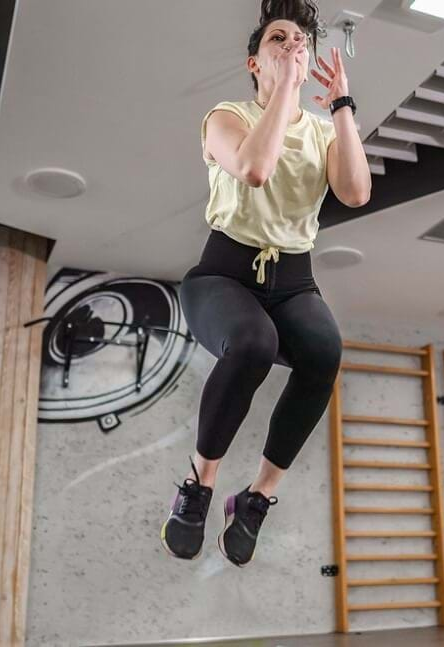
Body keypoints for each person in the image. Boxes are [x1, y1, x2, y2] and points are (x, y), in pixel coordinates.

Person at [160, 0, 371, 567]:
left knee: (324, 351)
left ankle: (256, 497)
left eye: (298, 41)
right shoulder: (225, 117)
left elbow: (354, 192)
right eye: (277, 39)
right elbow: (255, 169)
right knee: (255, 344)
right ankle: (199, 487)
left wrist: (342, 106)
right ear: (254, 62)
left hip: (294, 280)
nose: (290, 46)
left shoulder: (324, 131)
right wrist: (283, 90)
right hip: (223, 274)